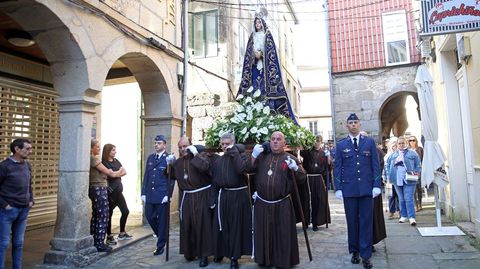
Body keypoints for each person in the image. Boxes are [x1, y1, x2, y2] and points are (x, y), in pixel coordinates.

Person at [250, 131, 306, 269]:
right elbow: (248, 168)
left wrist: (295, 168)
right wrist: (253, 155)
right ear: (269, 142)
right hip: (262, 202)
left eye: (278, 139)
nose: (275, 141)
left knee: (282, 233)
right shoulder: (262, 157)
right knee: (263, 232)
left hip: (282, 203)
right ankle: (264, 259)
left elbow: (302, 178)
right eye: (273, 139)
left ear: (284, 142)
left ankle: (282, 261)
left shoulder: (290, 158)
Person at [334, 113, 381, 269]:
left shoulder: (369, 142)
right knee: (352, 222)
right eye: (350, 123)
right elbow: (337, 168)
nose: (353, 125)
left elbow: (375, 165)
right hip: (349, 190)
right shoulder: (341, 145)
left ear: (360, 124)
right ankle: (354, 251)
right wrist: (338, 188)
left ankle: (366, 255)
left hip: (367, 189)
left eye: (355, 122)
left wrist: (376, 185)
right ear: (346, 126)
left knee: (366, 223)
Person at [237, 15, 297, 123]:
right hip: (255, 68)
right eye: (256, 23)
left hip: (266, 70)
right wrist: (253, 56)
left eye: (259, 23)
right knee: (255, 88)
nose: (258, 25)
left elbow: (271, 53)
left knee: (265, 91)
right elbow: (247, 55)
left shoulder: (267, 35)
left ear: (263, 23)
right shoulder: (252, 37)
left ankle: (270, 113)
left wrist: (262, 55)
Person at [209, 133, 251, 269]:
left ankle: (234, 257)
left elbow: (241, 169)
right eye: (223, 144)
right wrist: (213, 199)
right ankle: (221, 251)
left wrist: (234, 153)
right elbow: (215, 182)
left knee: (235, 227)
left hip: (238, 196)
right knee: (222, 226)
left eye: (228, 144)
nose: (225, 146)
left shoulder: (242, 156)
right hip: (224, 196)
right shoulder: (218, 160)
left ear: (233, 143)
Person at [170, 137, 212, 267]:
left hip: (202, 196)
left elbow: (205, 168)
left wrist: (196, 155)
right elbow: (171, 176)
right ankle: (190, 251)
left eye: (185, 146)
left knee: (202, 225)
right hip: (187, 197)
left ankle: (204, 254)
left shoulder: (201, 156)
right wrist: (168, 165)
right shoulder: (178, 162)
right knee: (188, 224)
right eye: (180, 147)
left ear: (191, 145)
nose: (183, 149)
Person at [0, 139, 34, 269]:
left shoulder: (27, 165)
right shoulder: (4, 166)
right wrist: (4, 205)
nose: (30, 151)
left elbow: (29, 185)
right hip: (8, 211)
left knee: (19, 243)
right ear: (17, 149)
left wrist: (31, 200)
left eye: (30, 148)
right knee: (3, 243)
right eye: (27, 149)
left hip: (23, 210)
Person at [141, 135, 175, 256]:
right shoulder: (150, 158)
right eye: (155, 143)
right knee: (149, 216)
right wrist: (143, 193)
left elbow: (172, 179)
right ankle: (163, 235)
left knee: (162, 221)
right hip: (150, 194)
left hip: (162, 195)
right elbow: (146, 176)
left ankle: (160, 245)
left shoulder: (169, 158)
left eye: (159, 143)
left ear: (164, 145)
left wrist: (168, 194)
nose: (156, 145)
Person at [89, 139, 125, 252]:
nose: (99, 148)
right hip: (98, 188)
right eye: (97, 146)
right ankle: (99, 243)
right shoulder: (93, 158)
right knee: (102, 215)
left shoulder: (94, 159)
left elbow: (110, 173)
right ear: (91, 148)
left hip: (98, 188)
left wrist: (111, 173)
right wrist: (114, 173)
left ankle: (95, 240)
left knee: (97, 215)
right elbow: (110, 173)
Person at [386, 136, 421, 226]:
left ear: (406, 143)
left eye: (403, 143)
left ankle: (412, 217)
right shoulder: (393, 155)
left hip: (409, 178)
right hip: (397, 179)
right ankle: (403, 215)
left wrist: (417, 172)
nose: (401, 145)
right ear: (397, 144)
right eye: (399, 143)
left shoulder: (413, 154)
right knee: (401, 199)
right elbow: (387, 166)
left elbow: (418, 165)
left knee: (408, 198)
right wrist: (388, 175)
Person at [300, 135, 331, 231]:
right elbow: (301, 151)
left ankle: (315, 222)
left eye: (318, 141)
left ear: (321, 142)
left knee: (317, 200)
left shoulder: (323, 153)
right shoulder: (308, 152)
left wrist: (328, 157)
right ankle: (305, 222)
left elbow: (329, 167)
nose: (316, 143)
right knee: (306, 200)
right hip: (308, 178)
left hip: (318, 179)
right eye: (315, 141)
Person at [102, 144, 131, 246]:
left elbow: (125, 172)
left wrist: (115, 173)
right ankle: (109, 236)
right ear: (108, 151)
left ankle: (122, 233)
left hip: (119, 192)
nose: (115, 152)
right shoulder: (103, 163)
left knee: (125, 211)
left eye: (115, 150)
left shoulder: (116, 161)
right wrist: (117, 173)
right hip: (110, 193)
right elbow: (109, 175)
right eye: (113, 150)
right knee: (109, 214)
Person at [383, 138, 399, 219]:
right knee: (391, 196)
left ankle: (400, 211)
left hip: (398, 178)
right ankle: (391, 211)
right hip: (389, 179)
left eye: (395, 144)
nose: (394, 146)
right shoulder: (387, 156)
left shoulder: (400, 154)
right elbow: (385, 168)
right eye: (392, 144)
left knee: (399, 195)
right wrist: (384, 177)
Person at [408, 135, 424, 212]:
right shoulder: (407, 150)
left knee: (419, 188)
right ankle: (416, 205)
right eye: (410, 141)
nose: (412, 142)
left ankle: (420, 204)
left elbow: (423, 160)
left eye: (413, 140)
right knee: (413, 189)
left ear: (416, 141)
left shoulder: (420, 149)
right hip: (411, 172)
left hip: (419, 171)